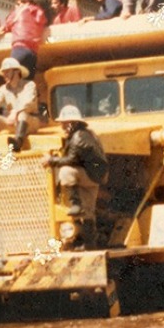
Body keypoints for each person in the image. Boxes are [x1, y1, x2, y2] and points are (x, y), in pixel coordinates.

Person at [42, 105, 109, 249]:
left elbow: (71, 159)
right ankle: (90, 245)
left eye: (65, 124)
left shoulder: (78, 138)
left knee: (65, 171)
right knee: (89, 213)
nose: (63, 127)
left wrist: (50, 160)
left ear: (74, 123)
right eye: (62, 124)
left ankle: (75, 204)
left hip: (90, 175)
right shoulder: (85, 134)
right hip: (95, 176)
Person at [0, 0, 47, 75]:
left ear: (25, 3)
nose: (16, 6)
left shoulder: (19, 11)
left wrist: (2, 29)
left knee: (10, 72)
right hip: (33, 51)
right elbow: (41, 22)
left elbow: (9, 22)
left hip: (20, 46)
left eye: (18, 4)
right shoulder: (39, 12)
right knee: (28, 78)